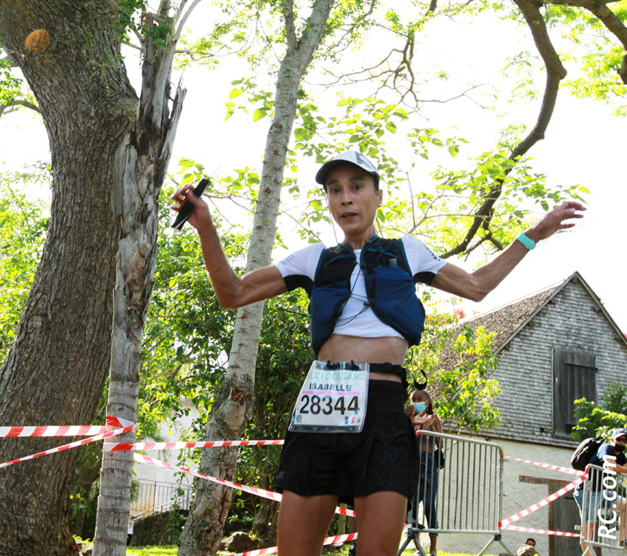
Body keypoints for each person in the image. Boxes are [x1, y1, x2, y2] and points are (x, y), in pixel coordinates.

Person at [170, 150, 584, 556]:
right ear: (329, 202)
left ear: (378, 195)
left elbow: (477, 286)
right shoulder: (313, 258)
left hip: (384, 408)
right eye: (335, 190)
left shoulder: (407, 252)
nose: (346, 198)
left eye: (356, 186)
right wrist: (204, 225)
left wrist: (536, 233)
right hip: (323, 406)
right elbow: (233, 293)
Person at [574, 428, 627, 551]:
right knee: (589, 528)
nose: (622, 443)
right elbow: (611, 465)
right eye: (619, 439)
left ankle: (624, 540)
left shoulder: (622, 455)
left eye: (625, 440)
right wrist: (619, 467)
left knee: (624, 505)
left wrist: (619, 467)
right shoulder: (606, 447)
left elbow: (620, 467)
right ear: (612, 439)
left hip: (602, 492)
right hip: (587, 491)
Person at [410, 389, 443, 556]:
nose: (416, 401)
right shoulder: (411, 418)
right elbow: (409, 438)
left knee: (430, 504)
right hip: (415, 461)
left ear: (428, 401)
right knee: (413, 504)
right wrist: (420, 425)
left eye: (419, 399)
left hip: (430, 462)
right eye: (414, 399)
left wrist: (432, 427)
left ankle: (433, 547)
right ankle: (417, 546)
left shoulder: (435, 418)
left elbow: (440, 443)